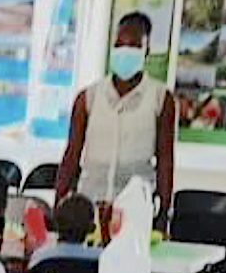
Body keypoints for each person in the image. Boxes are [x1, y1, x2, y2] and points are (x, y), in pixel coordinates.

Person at [57, 12, 176, 227]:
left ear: (146, 51)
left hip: (136, 208)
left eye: (133, 47)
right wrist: (59, 202)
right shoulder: (88, 97)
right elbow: (72, 155)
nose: (125, 52)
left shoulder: (161, 98)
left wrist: (164, 212)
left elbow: (165, 161)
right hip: (89, 205)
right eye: (119, 46)